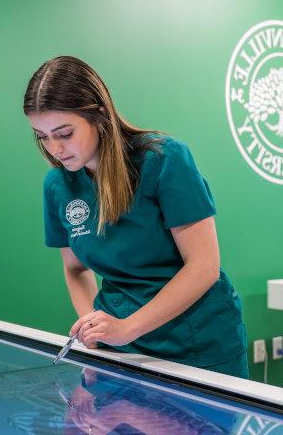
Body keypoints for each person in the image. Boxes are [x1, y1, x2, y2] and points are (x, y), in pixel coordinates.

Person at [23, 55, 248, 378]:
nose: (55, 149)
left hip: (196, 342)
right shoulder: (58, 184)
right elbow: (74, 269)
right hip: (121, 345)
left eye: (65, 133)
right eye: (42, 136)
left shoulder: (164, 159)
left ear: (98, 115)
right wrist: (95, 332)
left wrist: (128, 328)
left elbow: (204, 266)